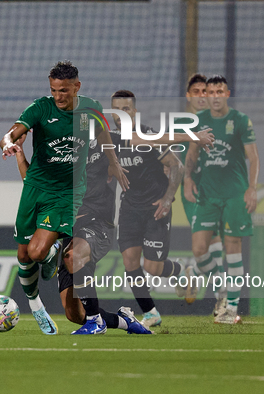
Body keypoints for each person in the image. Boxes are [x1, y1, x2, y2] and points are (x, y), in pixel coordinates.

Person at [0, 61, 128, 335]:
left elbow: (104, 132)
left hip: (67, 192)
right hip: (35, 187)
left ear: (76, 87)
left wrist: (113, 162)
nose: (59, 96)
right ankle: (37, 308)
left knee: (36, 251)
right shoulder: (41, 108)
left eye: (64, 91)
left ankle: (52, 249)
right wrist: (9, 143)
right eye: (54, 90)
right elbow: (12, 133)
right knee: (24, 255)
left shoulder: (90, 109)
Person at [13, 132, 151, 335]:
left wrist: (191, 136)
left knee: (73, 256)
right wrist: (20, 154)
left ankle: (96, 322)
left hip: (97, 224)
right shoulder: (60, 155)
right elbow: (34, 184)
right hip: (70, 230)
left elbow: (152, 139)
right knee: (75, 314)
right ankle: (124, 321)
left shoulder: (106, 142)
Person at [183, 75, 259, 324]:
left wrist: (252, 188)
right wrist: (188, 178)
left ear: (227, 94)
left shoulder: (239, 120)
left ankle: (231, 310)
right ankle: (200, 273)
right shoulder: (200, 121)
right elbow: (192, 154)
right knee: (199, 249)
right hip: (207, 195)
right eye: (210, 92)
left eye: (218, 92)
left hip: (234, 195)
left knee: (232, 249)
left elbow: (254, 157)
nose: (213, 96)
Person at [112, 90, 186, 329]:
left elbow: (177, 166)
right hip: (129, 207)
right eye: (116, 110)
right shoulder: (110, 140)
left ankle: (180, 270)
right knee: (130, 261)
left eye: (126, 109)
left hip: (155, 207)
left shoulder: (149, 137)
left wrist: (167, 198)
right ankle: (151, 312)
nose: (121, 114)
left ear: (134, 112)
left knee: (152, 268)